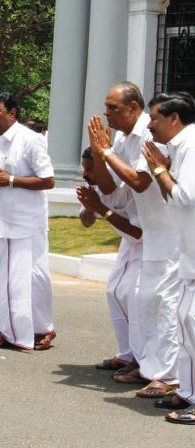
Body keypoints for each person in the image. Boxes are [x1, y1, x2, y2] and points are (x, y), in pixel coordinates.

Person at [87, 82, 180, 398]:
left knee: (164, 304)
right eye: (106, 106)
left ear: (133, 108)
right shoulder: (123, 137)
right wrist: (100, 154)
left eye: (113, 107)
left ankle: (169, 375)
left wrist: (106, 152)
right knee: (147, 300)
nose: (106, 113)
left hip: (170, 231)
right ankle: (149, 365)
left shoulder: (152, 132)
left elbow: (140, 182)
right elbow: (112, 188)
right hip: (151, 231)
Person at [0, 92, 56, 351]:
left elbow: (48, 180)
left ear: (12, 112)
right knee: (8, 279)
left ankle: (30, 331)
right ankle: (18, 330)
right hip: (2, 219)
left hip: (26, 220)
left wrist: (9, 180)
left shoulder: (30, 140)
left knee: (35, 278)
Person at [139, 91, 195, 423]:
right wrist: (161, 169)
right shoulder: (179, 146)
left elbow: (185, 197)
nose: (150, 125)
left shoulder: (190, 145)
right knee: (186, 323)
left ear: (175, 119)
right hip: (187, 251)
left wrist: (159, 170)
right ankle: (188, 392)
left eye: (155, 118)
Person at [77, 147, 143, 371]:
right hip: (128, 245)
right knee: (113, 291)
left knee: (133, 298)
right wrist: (90, 207)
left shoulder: (126, 189)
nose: (86, 174)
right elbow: (86, 221)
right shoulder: (95, 187)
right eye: (85, 168)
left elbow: (138, 232)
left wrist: (101, 209)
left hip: (146, 247)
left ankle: (142, 360)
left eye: (90, 169)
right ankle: (126, 354)